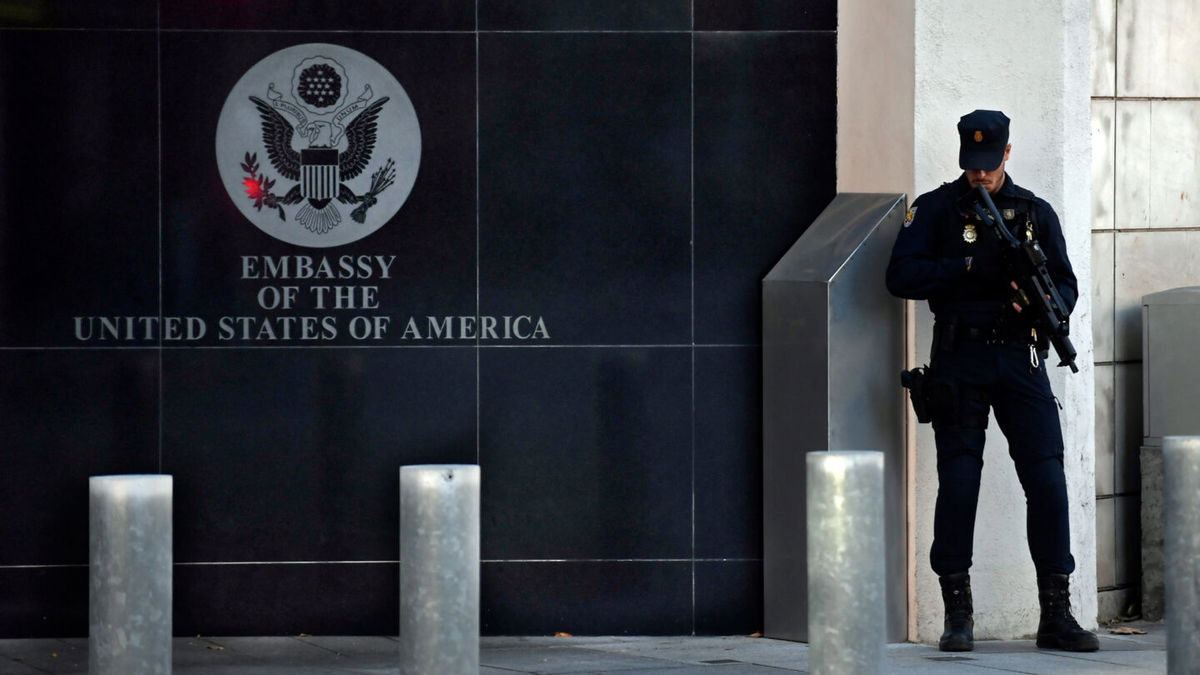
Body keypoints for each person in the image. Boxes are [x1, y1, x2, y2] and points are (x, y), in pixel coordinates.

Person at [885, 110, 1099, 653]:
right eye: (971, 166)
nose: (980, 176)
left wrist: (1041, 304)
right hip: (960, 359)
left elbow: (1066, 286)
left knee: (1047, 481)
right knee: (959, 484)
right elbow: (901, 276)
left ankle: (1057, 612)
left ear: (1007, 154)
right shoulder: (936, 209)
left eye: (989, 165)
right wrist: (966, 268)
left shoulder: (1033, 213)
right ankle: (958, 616)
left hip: (1020, 357)